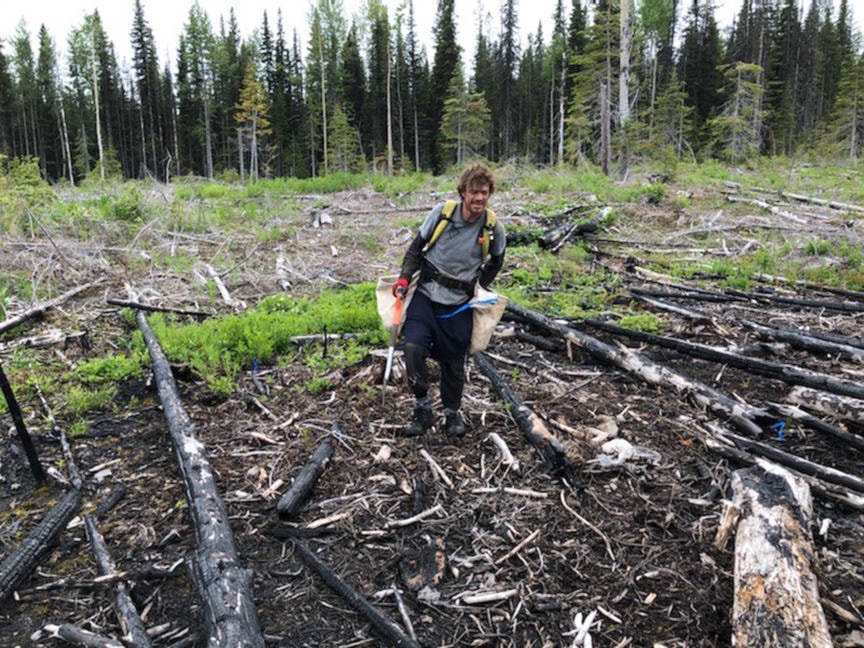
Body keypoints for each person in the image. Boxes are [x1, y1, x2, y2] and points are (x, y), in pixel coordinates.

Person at [392, 162, 506, 438]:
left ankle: (452, 414)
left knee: (454, 362)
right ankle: (422, 407)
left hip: (459, 304)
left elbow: (496, 261)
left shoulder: (493, 227)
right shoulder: (442, 214)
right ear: (463, 192)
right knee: (413, 348)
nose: (479, 198)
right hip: (427, 295)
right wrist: (404, 279)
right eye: (474, 192)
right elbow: (415, 250)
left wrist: (479, 288)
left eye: (484, 192)